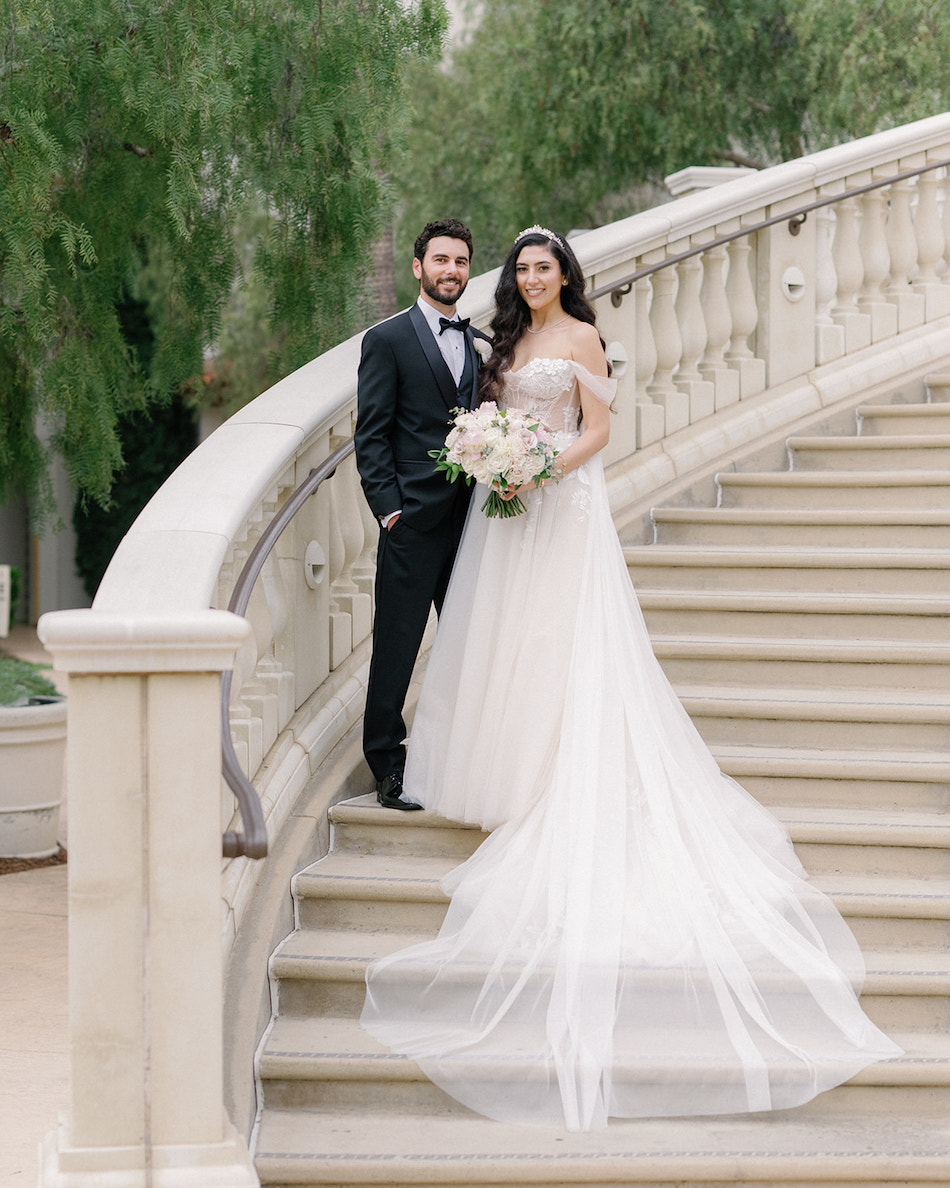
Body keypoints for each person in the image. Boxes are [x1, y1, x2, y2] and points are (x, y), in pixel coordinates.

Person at [361, 226, 901, 1131]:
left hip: (556, 506)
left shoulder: (577, 337)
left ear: (567, 276)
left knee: (563, 641)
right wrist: (498, 463)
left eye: (546, 268)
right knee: (505, 641)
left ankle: (555, 770)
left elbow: (600, 431)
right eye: (523, 268)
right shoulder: (504, 343)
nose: (533, 279)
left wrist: (537, 466)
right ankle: (491, 759)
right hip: (500, 517)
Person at [355, 219, 489, 810]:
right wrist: (389, 511)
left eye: (460, 261)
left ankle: (461, 758)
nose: (451, 271)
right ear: (418, 267)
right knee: (397, 647)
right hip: (410, 524)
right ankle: (387, 764)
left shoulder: (480, 345)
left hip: (475, 523)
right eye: (440, 260)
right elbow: (372, 435)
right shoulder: (387, 340)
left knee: (468, 645)